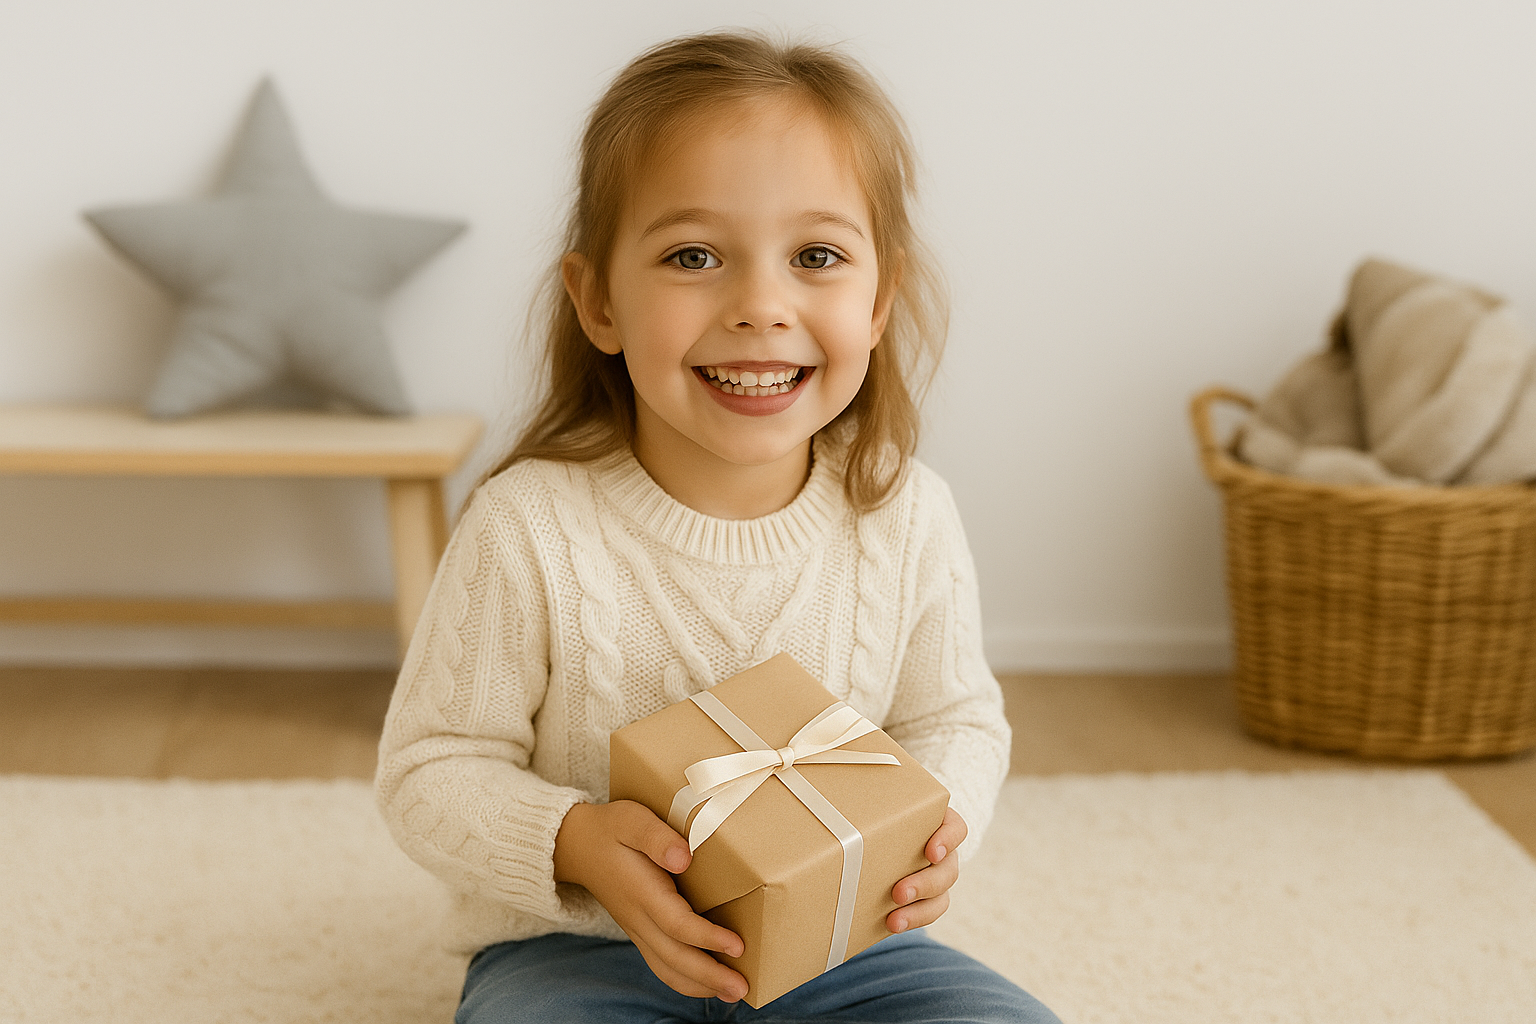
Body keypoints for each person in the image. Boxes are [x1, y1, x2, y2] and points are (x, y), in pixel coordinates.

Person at [375, 29, 1061, 1024]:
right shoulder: (528, 527)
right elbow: (428, 770)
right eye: (694, 256)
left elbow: (953, 719)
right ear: (599, 299)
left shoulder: (905, 513)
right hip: (586, 951)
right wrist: (577, 840)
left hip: (842, 948)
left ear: (880, 301)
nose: (761, 306)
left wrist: (938, 827)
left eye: (816, 256)